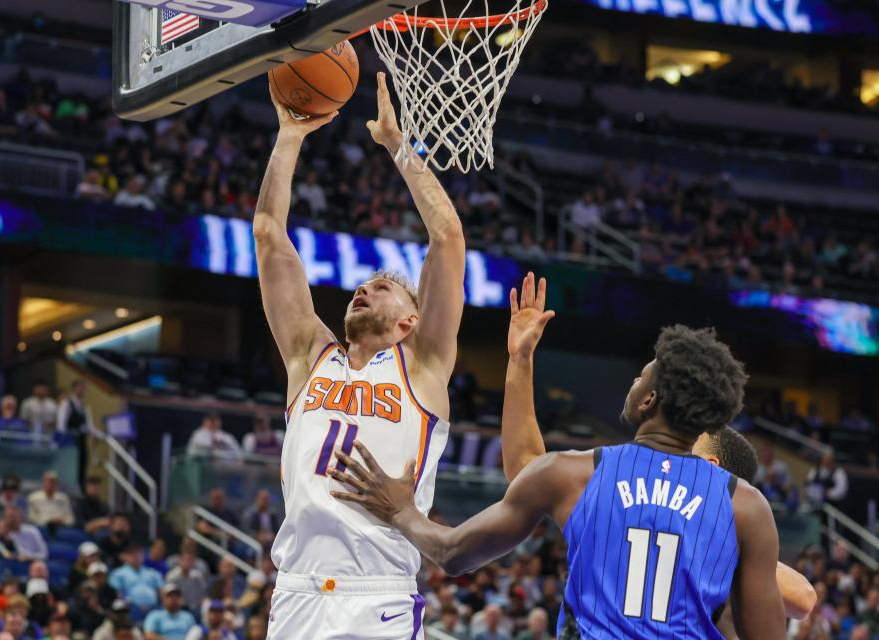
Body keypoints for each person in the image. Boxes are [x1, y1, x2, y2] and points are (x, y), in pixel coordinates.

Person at [331, 275, 785, 639]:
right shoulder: (745, 507)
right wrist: (520, 358)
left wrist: (403, 512)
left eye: (640, 377)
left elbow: (454, 554)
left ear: (649, 402)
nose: (633, 383)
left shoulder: (576, 475)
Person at [255, 71, 463, 640]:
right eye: (362, 285)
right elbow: (270, 233)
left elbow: (446, 238)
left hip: (377, 597)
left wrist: (398, 146)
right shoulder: (309, 355)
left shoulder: (421, 366)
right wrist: (289, 137)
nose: (363, 289)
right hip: (296, 592)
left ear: (410, 320)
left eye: (381, 286)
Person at [690, 428, 816, 638]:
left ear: (710, 466)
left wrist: (739, 553)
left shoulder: (725, 538)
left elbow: (805, 597)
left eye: (688, 451)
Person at [108, 544, 163, 618]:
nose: (136, 556)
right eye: (132, 554)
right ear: (125, 556)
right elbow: (117, 594)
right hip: (131, 609)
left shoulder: (153, 573)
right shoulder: (118, 574)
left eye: (139, 553)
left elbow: (161, 593)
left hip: (154, 608)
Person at [57, 380, 94, 484]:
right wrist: (63, 441)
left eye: (84, 388)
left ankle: (80, 484)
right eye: (79, 388)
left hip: (81, 440)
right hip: (70, 440)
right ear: (73, 389)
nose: (82, 390)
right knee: (70, 465)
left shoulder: (85, 406)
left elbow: (90, 427)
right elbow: (61, 425)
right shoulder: (66, 404)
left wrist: (104, 435)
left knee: (82, 464)